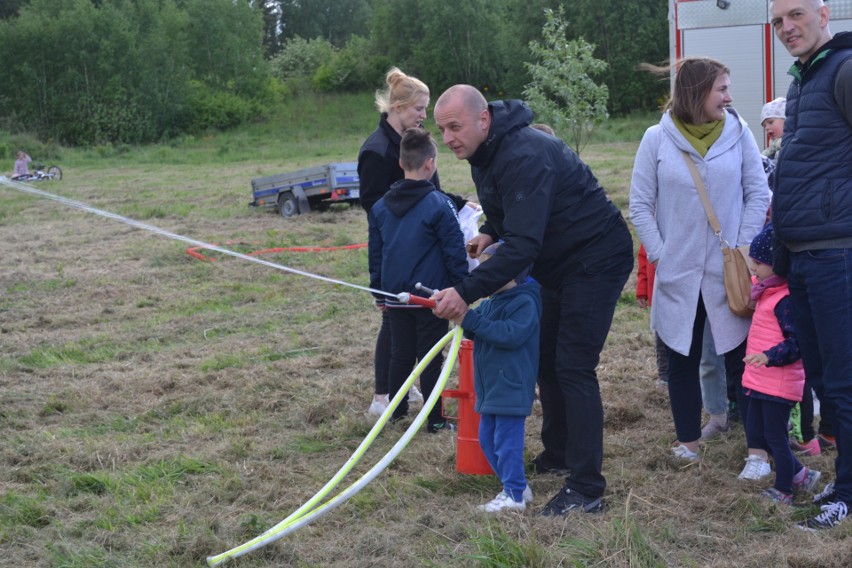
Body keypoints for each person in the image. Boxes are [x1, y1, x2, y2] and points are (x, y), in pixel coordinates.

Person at [432, 85, 634, 515]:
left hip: (595, 256)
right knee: (545, 357)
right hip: (556, 260)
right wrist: (490, 231)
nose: (448, 138)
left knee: (574, 365)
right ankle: (559, 453)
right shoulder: (485, 154)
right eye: (442, 130)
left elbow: (522, 246)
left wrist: (465, 293)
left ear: (483, 119)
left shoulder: (523, 153)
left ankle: (586, 488)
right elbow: (510, 216)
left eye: (455, 126)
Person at [629, 57, 770, 463]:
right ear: (696, 93)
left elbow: (758, 193)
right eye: (721, 89)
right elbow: (640, 205)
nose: (729, 96)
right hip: (680, 272)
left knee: (746, 359)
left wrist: (742, 250)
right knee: (681, 357)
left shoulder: (740, 132)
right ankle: (687, 443)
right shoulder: (656, 138)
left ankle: (758, 453)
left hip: (731, 271)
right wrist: (661, 254)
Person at [769, 0, 852, 530]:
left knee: (844, 381)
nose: (787, 28)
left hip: (837, 252)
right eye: (778, 22)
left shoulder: (843, 70)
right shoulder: (804, 81)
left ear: (824, 13)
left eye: (795, 15)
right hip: (803, 254)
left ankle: (848, 491)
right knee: (823, 377)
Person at [358, 67, 469, 416]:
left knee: (402, 336)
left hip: (420, 253)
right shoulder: (377, 151)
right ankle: (386, 399)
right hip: (402, 256)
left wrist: (458, 203)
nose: (424, 116)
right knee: (397, 331)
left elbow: (430, 192)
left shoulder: (413, 141)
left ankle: (399, 400)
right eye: (420, 108)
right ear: (399, 106)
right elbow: (377, 207)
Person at [452, 242, 541, 512]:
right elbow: (476, 328)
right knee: (488, 439)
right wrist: (460, 315)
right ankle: (518, 487)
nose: (484, 277)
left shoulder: (525, 302)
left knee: (507, 443)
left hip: (511, 385)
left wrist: (472, 320)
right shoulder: (492, 303)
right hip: (490, 386)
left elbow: (509, 335)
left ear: (511, 271)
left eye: (489, 270)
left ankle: (513, 496)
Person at [740, 223, 821, 503]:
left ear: (777, 265)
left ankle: (784, 489)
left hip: (777, 382)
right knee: (759, 433)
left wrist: (768, 356)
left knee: (775, 438)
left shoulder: (785, 300)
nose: (753, 266)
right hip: (759, 380)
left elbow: (796, 344)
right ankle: (802, 476)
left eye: (759, 262)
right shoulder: (767, 291)